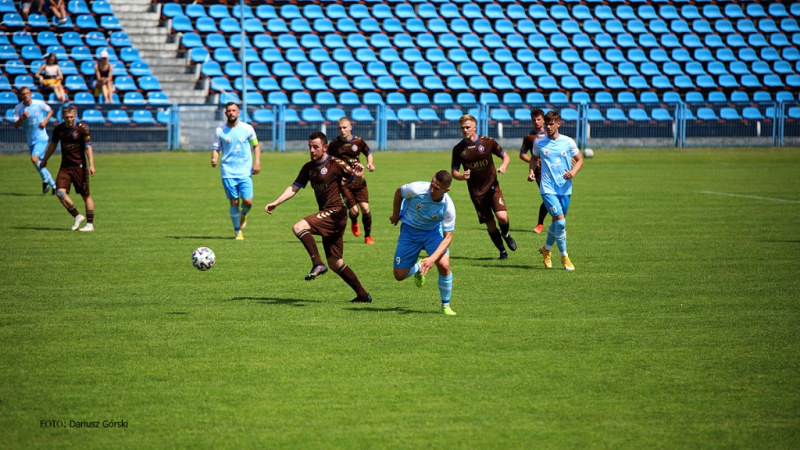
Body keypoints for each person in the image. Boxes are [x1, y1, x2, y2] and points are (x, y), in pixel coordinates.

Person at [265, 131, 372, 304]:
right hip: (329, 214)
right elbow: (294, 187)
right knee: (336, 263)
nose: (312, 150)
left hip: (336, 212)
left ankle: (317, 263)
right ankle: (363, 295)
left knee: (299, 227)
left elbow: (357, 181)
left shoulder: (336, 164)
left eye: (316, 147)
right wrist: (276, 202)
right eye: (310, 147)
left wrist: (360, 176)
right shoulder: (308, 167)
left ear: (325, 147)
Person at [389, 170, 457, 316]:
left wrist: (432, 259)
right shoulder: (416, 189)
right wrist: (395, 215)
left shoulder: (448, 207)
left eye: (437, 188)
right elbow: (398, 193)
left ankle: (445, 305)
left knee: (444, 265)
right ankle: (419, 267)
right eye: (432, 184)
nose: (432, 190)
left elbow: (448, 238)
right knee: (399, 275)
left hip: (432, 233)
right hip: (409, 231)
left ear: (446, 190)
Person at [450, 114, 517, 260]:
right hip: (476, 193)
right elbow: (454, 172)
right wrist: (462, 176)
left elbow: (506, 156)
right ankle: (502, 251)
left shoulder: (488, 142)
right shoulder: (458, 149)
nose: (465, 130)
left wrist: (503, 166)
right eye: (462, 128)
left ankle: (506, 234)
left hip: (493, 187)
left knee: (502, 217)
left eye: (468, 127)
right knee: (491, 225)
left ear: (475, 127)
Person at [529, 110, 584, 271]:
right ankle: (564, 256)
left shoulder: (568, 142)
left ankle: (546, 249)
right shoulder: (539, 142)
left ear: (558, 124)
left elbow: (580, 160)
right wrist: (531, 171)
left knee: (557, 223)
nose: (548, 127)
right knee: (560, 221)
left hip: (565, 188)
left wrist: (572, 173)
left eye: (551, 124)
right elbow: (533, 158)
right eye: (546, 124)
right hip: (547, 188)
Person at [39, 106, 96, 231]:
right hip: (65, 167)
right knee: (60, 192)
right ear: (63, 118)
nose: (69, 119)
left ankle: (90, 224)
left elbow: (88, 147)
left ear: (75, 117)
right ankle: (77, 216)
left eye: (71, 117)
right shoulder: (59, 129)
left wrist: (91, 165)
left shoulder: (82, 129)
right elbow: (53, 145)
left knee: (85, 195)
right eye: (67, 117)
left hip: (79, 167)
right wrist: (45, 159)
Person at [211, 102, 261, 240]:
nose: (231, 113)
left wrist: (257, 162)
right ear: (225, 113)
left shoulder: (247, 129)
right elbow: (216, 148)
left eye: (234, 110)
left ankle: (244, 214)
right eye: (229, 111)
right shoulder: (220, 131)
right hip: (228, 172)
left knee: (248, 202)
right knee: (234, 202)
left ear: (238, 113)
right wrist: (214, 158)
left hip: (245, 172)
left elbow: (256, 146)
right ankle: (237, 231)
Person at [326, 116, 376, 244]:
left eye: (344, 127)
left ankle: (368, 237)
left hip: (359, 180)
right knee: (354, 211)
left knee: (365, 209)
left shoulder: (358, 142)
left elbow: (368, 152)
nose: (342, 130)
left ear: (350, 127)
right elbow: (328, 159)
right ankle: (354, 220)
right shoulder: (334, 144)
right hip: (344, 182)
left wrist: (370, 164)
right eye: (340, 128)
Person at [13, 86, 57, 195]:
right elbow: (15, 125)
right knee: (40, 164)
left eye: (27, 93)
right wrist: (22, 118)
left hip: (41, 137)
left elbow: (51, 110)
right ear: (21, 96)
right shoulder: (18, 108)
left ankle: (45, 180)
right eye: (23, 94)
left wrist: (45, 121)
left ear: (31, 94)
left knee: (34, 158)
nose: (26, 96)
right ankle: (55, 186)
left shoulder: (38, 103)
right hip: (31, 139)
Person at [519, 108, 548, 234]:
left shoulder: (551, 134)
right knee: (548, 196)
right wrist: (534, 162)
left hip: (554, 170)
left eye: (538, 119)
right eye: (534, 120)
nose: (536, 122)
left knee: (557, 196)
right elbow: (522, 154)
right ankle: (540, 224)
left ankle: (558, 225)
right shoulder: (529, 137)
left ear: (543, 120)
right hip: (539, 171)